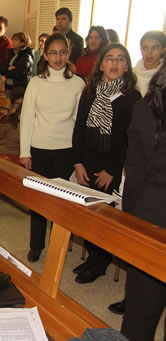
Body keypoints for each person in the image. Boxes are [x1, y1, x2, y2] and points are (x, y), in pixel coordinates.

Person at [71, 44, 141, 284]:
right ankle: (92, 257)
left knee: (104, 220)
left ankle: (99, 264)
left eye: (120, 59)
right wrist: (78, 162)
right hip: (87, 163)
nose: (114, 63)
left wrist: (112, 170)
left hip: (111, 167)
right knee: (88, 217)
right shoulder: (91, 91)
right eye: (109, 59)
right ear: (101, 64)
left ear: (126, 65)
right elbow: (79, 128)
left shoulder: (132, 98)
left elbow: (129, 140)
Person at [107, 30, 165, 316]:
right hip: (148, 195)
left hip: (154, 200)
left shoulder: (140, 100)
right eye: (146, 47)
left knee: (145, 302)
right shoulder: (147, 102)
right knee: (145, 288)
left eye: (156, 48)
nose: (150, 52)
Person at [19, 33, 85, 262]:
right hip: (39, 149)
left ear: (68, 54)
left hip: (66, 150)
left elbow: (80, 123)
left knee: (62, 204)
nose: (58, 57)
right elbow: (27, 118)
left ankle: (59, 246)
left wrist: (80, 156)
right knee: (39, 202)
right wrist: (24, 151)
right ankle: (36, 245)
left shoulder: (78, 83)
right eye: (53, 53)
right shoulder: (36, 82)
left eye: (62, 52)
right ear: (45, 55)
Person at [119, 61, 166, 341]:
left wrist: (132, 221)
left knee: (141, 309)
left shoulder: (146, 106)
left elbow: (134, 172)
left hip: (152, 210)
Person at [0, 86, 25, 162]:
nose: (20, 107)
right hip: (6, 154)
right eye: (17, 104)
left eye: (23, 104)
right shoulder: (6, 120)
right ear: (12, 105)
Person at [0, 32, 34, 98]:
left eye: (16, 40)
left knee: (18, 107)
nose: (12, 41)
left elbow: (19, 72)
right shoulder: (11, 53)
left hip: (19, 87)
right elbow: (1, 68)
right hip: (8, 86)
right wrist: (8, 68)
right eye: (13, 39)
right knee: (10, 107)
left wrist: (6, 72)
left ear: (22, 43)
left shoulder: (26, 56)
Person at [134, 31, 166, 97]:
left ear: (163, 49)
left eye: (154, 48)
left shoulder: (163, 77)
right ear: (140, 49)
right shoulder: (132, 75)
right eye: (145, 48)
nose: (149, 53)